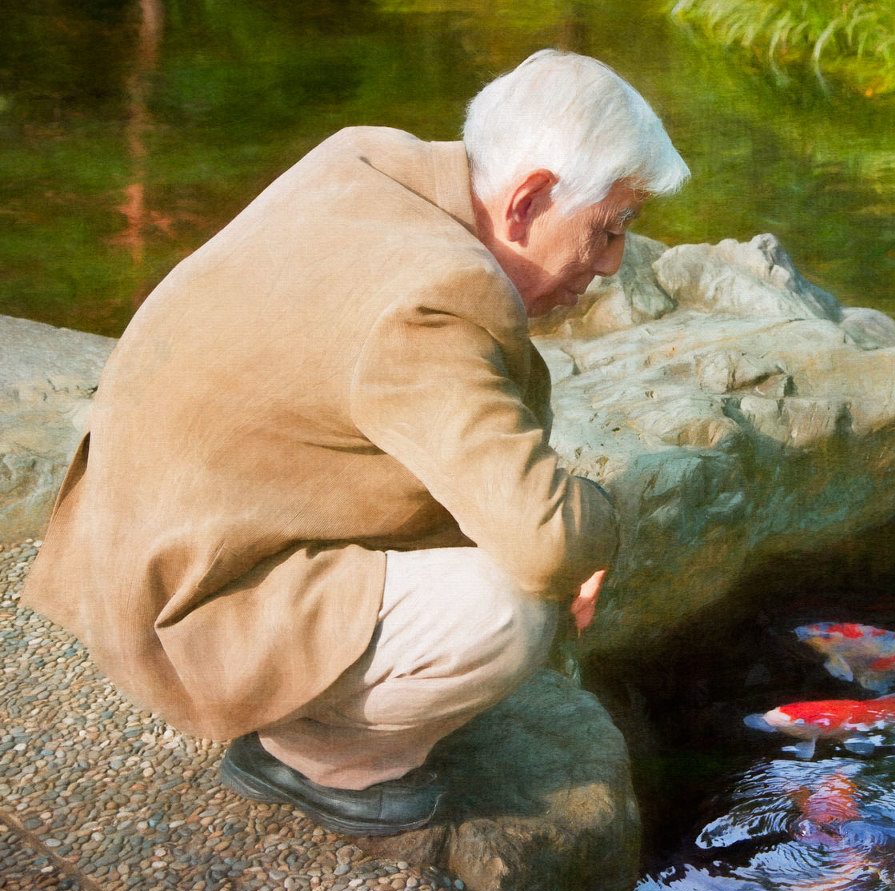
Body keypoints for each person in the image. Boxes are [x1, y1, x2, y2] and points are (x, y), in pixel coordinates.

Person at [21, 50, 690, 836]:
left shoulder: (367, 160)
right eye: (608, 229)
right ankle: (316, 754)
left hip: (130, 541)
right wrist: (598, 523)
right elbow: (545, 544)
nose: (612, 264)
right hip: (183, 613)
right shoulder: (439, 298)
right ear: (529, 198)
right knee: (508, 610)